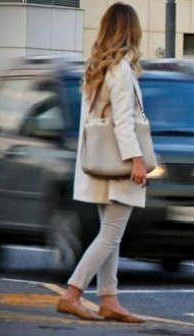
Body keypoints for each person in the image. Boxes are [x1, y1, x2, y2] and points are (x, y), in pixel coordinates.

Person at [56, 2, 148, 323]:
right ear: (130, 30)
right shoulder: (120, 69)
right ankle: (73, 292)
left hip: (99, 162)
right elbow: (123, 121)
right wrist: (137, 159)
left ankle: (109, 298)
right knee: (110, 232)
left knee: (110, 232)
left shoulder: (97, 66)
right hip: (119, 163)